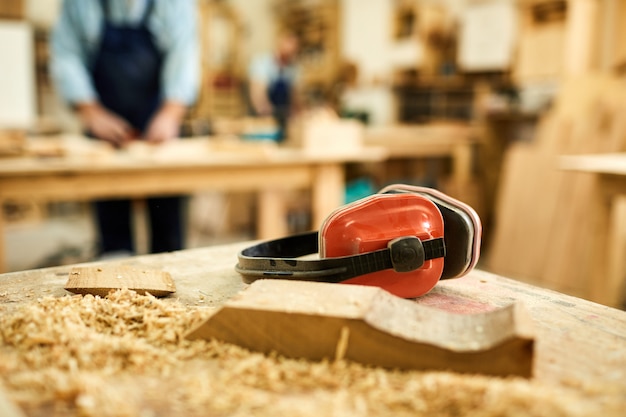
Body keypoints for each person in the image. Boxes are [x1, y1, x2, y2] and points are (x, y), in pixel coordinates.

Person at [50, 0, 199, 258]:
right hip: (103, 125)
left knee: (169, 243)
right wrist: (92, 113)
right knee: (114, 241)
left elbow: (184, 55)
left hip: (159, 123)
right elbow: (66, 55)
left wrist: (170, 114)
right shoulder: (78, 5)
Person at [248, 31, 300, 141]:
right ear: (280, 42)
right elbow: (258, 95)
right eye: (288, 43)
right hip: (264, 121)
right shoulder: (261, 63)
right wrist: (266, 113)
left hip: (284, 119)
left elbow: (295, 96)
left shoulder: (293, 69)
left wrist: (296, 114)